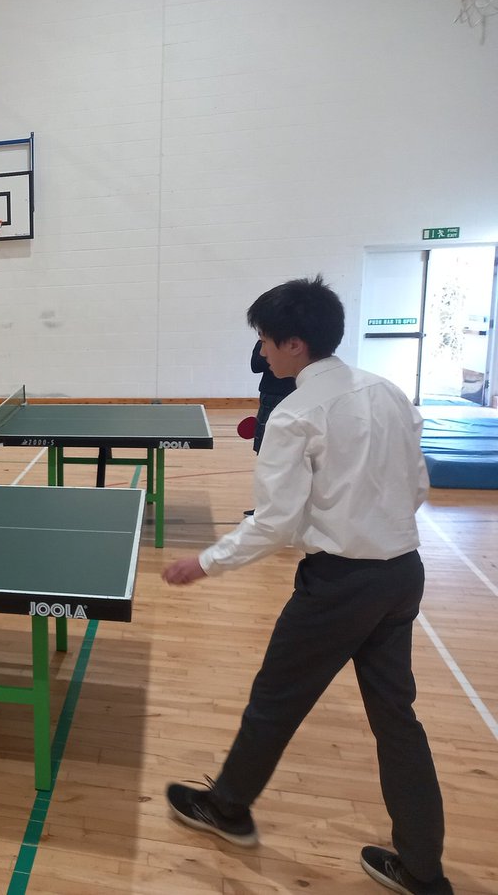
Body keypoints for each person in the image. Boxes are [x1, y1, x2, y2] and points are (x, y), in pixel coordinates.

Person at [161, 277, 452, 895]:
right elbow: (420, 488)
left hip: (341, 585)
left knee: (275, 699)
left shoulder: (295, 415)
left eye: (266, 341)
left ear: (295, 344)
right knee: (398, 719)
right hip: (403, 575)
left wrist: (206, 562)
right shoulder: (392, 392)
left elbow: (275, 524)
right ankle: (424, 870)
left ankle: (230, 808)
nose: (262, 353)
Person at [243, 340, 297, 515]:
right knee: (265, 453)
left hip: (292, 397)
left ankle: (288, 507)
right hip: (268, 396)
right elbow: (256, 365)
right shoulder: (264, 342)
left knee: (288, 456)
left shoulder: (297, 342)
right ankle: (266, 506)